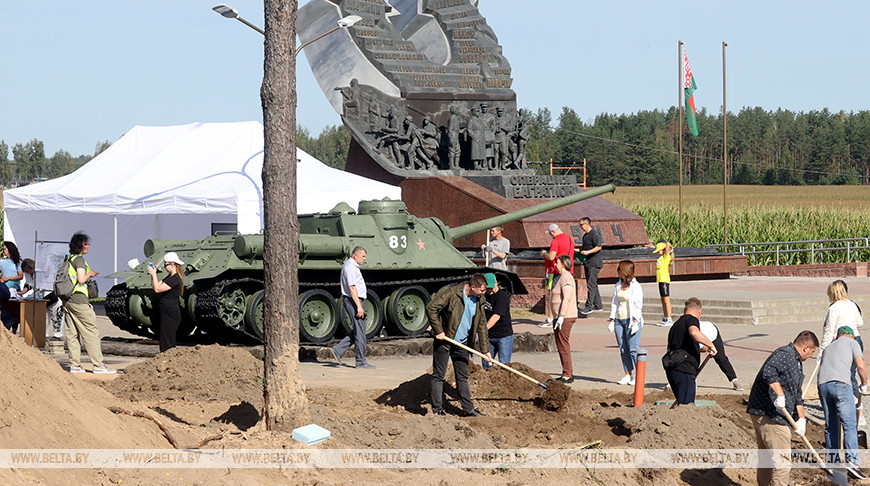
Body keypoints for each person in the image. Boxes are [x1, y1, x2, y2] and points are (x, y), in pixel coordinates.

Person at [746, 330, 819, 486]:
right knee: (782, 462)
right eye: (811, 353)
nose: (810, 357)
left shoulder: (797, 363)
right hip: (770, 415)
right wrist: (779, 395)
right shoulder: (785, 354)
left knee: (766, 458)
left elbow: (797, 394)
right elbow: (769, 371)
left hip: (771, 414)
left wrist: (801, 419)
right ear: (806, 348)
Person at [427, 274, 491, 417]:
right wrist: (439, 330)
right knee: (439, 375)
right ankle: (437, 410)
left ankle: (469, 410)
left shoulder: (480, 299)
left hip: (462, 343)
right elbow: (431, 308)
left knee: (462, 377)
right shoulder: (452, 293)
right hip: (445, 342)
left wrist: (485, 350)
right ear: (473, 287)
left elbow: (481, 325)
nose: (483, 293)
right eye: (481, 290)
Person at [817, 326, 868, 480]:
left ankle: (833, 463)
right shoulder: (852, 343)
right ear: (851, 336)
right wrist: (864, 384)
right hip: (841, 384)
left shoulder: (829, 347)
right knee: (849, 425)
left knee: (831, 426)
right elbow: (860, 365)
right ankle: (853, 462)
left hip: (822, 386)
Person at [62, 232, 115, 374]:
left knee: (72, 333)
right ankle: (98, 365)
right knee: (91, 331)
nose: (88, 246)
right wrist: (90, 274)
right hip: (79, 300)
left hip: (68, 300)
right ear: (79, 245)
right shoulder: (79, 260)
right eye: (85, 244)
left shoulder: (68, 259)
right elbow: (81, 279)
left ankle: (75, 365)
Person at [819, 279, 865, 424]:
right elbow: (860, 323)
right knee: (852, 374)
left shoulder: (833, 308)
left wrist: (822, 351)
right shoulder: (852, 304)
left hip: (840, 342)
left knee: (845, 375)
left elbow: (829, 331)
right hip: (856, 339)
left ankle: (852, 410)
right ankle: (859, 411)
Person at [664, 298, 717, 403]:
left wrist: (706, 348)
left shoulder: (677, 324)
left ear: (684, 309)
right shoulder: (691, 320)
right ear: (699, 311)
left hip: (673, 366)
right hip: (684, 368)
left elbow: (687, 344)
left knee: (682, 401)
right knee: (686, 404)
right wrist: (711, 345)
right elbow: (694, 333)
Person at [331, 246, 375, 369]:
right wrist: (359, 306)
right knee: (360, 331)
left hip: (354, 300)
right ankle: (360, 360)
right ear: (355, 256)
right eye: (363, 256)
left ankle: (337, 350)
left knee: (358, 329)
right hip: (353, 300)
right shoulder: (350, 267)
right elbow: (352, 288)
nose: (364, 259)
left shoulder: (352, 266)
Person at [608, 260, 646, 385]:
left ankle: (639, 376)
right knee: (623, 348)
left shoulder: (636, 286)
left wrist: (636, 321)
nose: (617, 271)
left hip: (631, 320)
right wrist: (612, 319)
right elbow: (615, 302)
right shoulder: (618, 284)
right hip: (619, 319)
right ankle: (628, 374)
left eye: (619, 269)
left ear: (624, 271)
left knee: (633, 349)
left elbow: (638, 305)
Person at [146, 252, 185, 353]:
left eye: (165, 265)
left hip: (170, 312)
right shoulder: (170, 278)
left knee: (167, 340)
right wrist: (152, 275)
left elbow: (158, 289)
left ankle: (168, 360)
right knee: (164, 338)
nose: (164, 267)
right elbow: (156, 286)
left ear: (172, 264)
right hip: (167, 311)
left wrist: (154, 274)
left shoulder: (175, 279)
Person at [540, 223, 574, 328]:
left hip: (556, 271)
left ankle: (551, 319)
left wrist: (544, 253)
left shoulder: (556, 241)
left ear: (553, 232)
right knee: (565, 296)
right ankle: (560, 316)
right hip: (568, 270)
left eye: (550, 234)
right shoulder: (569, 239)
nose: (551, 236)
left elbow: (551, 257)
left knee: (553, 295)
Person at [551, 255, 578, 383]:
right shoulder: (562, 277)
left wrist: (561, 316)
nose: (555, 264)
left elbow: (566, 298)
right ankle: (566, 372)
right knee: (561, 344)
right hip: (560, 316)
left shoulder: (567, 277)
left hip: (565, 317)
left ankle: (567, 374)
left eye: (557, 262)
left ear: (563, 264)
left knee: (563, 345)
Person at [699, 320, 743, 391]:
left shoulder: (705, 329)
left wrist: (711, 349)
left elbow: (703, 348)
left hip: (712, 333)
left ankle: (734, 380)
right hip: (700, 337)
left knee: (721, 358)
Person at [481, 273, 512, 370]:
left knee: (504, 365)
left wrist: (483, 330)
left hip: (503, 336)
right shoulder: (483, 296)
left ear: (496, 283)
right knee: (486, 364)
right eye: (487, 288)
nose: (489, 290)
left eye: (491, 287)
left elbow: (496, 317)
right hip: (489, 336)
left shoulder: (502, 297)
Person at [578, 217, 603, 315]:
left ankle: (589, 306)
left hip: (594, 263)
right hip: (588, 262)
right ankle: (598, 305)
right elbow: (585, 248)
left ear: (587, 224)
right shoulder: (585, 236)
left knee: (591, 284)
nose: (581, 227)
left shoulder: (595, 234)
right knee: (593, 284)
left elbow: (598, 247)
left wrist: (588, 252)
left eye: (581, 225)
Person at [652, 239, 675, 327]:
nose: (658, 252)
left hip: (665, 280)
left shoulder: (666, 257)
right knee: (663, 300)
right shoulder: (661, 258)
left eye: (659, 250)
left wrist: (667, 247)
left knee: (666, 300)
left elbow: (668, 244)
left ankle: (669, 319)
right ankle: (665, 317)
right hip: (660, 280)